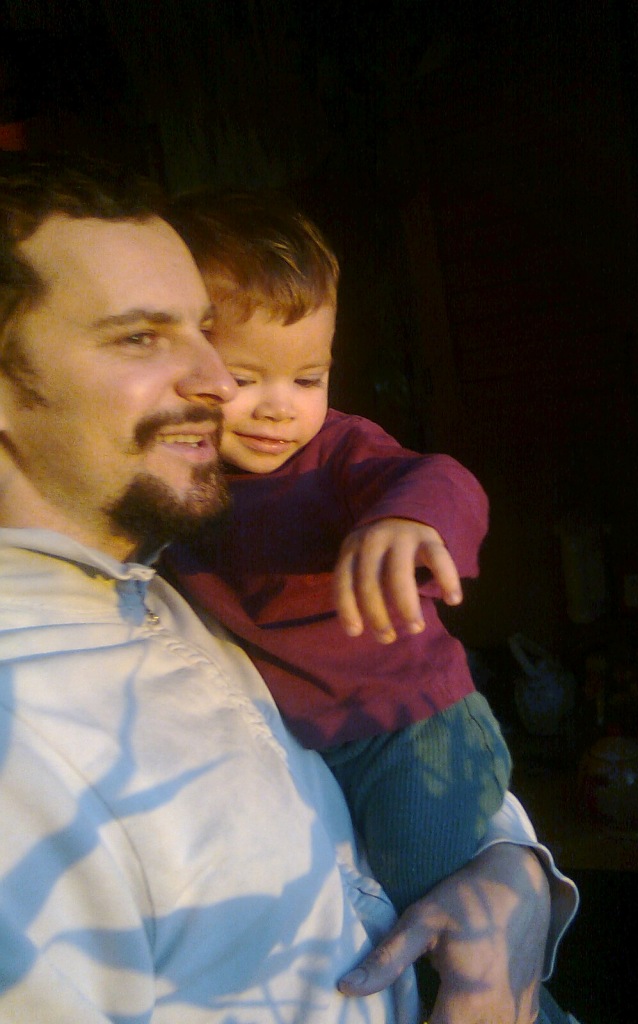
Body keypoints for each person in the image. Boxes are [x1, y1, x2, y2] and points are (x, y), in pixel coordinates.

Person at [0, 152, 578, 1024]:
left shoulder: (163, 579)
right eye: (140, 337)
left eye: (204, 332)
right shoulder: (27, 744)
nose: (214, 382)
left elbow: (415, 803)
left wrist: (514, 868)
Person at [163, 189, 512, 923]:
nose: (279, 406)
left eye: (308, 378)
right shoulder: (176, 484)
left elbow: (440, 477)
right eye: (244, 378)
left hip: (412, 731)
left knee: (430, 915)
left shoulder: (336, 453)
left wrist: (405, 519)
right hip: (307, 743)